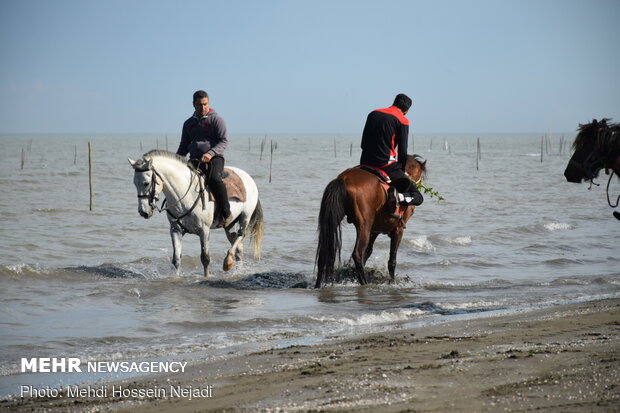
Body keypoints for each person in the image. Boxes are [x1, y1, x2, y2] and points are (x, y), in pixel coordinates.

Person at [360, 93, 423, 213]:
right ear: (407, 111)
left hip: (364, 162)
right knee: (418, 197)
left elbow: (363, 143)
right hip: (385, 165)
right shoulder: (402, 120)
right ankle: (399, 197)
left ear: (394, 102)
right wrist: (402, 169)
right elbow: (403, 151)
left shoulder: (373, 114)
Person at [176, 90, 231, 224]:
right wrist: (175, 160)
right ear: (194, 105)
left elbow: (224, 141)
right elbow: (184, 145)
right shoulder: (188, 123)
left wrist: (210, 153)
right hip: (194, 160)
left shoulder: (217, 119)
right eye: (200, 105)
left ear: (208, 103)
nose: (203, 107)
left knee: (214, 179)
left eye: (205, 104)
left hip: (215, 159)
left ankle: (226, 213)